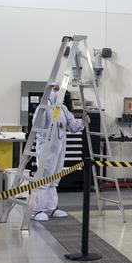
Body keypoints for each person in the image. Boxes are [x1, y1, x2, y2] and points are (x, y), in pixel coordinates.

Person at [31, 89, 84, 221]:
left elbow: (73, 126)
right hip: (46, 148)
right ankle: (36, 210)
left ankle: (50, 208)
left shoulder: (63, 109)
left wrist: (83, 122)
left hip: (59, 147)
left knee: (54, 178)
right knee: (43, 178)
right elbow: (37, 125)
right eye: (56, 91)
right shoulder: (44, 107)